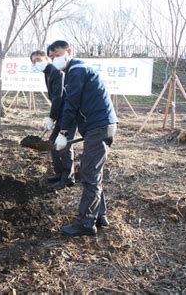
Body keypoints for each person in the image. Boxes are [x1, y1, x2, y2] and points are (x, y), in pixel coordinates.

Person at [47, 40, 118, 237]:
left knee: (88, 174)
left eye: (58, 53)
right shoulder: (76, 70)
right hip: (100, 125)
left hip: (99, 126)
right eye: (51, 57)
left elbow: (71, 104)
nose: (55, 59)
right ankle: (99, 214)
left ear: (69, 51)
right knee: (93, 172)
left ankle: (86, 223)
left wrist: (63, 133)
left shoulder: (76, 70)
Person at [30, 50, 76, 191]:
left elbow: (58, 97)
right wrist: (54, 116)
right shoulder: (48, 73)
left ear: (46, 58)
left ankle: (68, 178)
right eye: (33, 61)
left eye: (39, 59)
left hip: (69, 113)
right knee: (52, 143)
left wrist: (51, 117)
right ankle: (60, 173)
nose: (36, 63)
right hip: (61, 113)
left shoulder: (56, 72)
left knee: (64, 146)